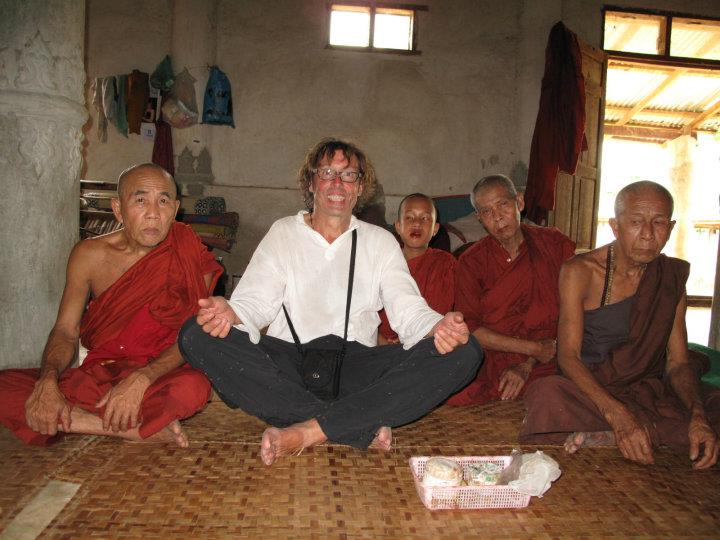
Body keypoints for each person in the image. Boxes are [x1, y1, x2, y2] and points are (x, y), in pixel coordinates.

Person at [178, 138, 482, 466]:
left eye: (349, 175)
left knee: (466, 351)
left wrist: (437, 326)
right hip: (288, 364)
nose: (338, 183)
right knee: (195, 333)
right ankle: (352, 424)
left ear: (360, 186)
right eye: (327, 173)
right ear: (311, 182)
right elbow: (255, 300)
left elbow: (407, 308)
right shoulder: (283, 232)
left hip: (356, 366)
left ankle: (308, 430)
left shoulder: (380, 242)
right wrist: (232, 311)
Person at [0, 163, 222, 447]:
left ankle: (75, 419)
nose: (154, 213)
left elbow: (194, 335)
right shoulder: (89, 255)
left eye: (163, 201)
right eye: (140, 200)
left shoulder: (188, 251)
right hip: (101, 372)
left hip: (160, 372)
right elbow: (66, 330)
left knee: (194, 388)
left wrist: (143, 378)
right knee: (7, 386)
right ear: (118, 209)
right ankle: (127, 428)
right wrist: (48, 380)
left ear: (175, 208)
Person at [520, 181, 719, 470]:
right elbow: (568, 357)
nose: (648, 235)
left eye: (659, 223)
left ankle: (611, 436)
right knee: (547, 395)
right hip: (592, 388)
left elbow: (677, 362)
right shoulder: (580, 272)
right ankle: (639, 431)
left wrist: (698, 415)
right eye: (636, 222)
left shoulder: (670, 278)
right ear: (615, 226)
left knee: (709, 410)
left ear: (671, 227)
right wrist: (619, 415)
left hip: (647, 389)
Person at [447, 174, 575, 406]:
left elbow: (574, 310)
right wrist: (532, 348)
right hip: (491, 357)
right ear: (479, 219)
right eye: (486, 212)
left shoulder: (553, 245)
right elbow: (471, 329)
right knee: (451, 394)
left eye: (502, 204)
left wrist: (529, 362)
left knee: (554, 395)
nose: (497, 217)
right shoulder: (471, 261)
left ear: (520, 202)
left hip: (550, 355)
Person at [377, 193, 457, 345]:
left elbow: (439, 315)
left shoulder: (445, 264)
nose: (417, 224)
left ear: (435, 229)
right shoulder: (382, 262)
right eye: (409, 217)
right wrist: (383, 344)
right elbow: (367, 315)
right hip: (380, 347)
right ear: (398, 226)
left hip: (426, 346)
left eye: (425, 218)